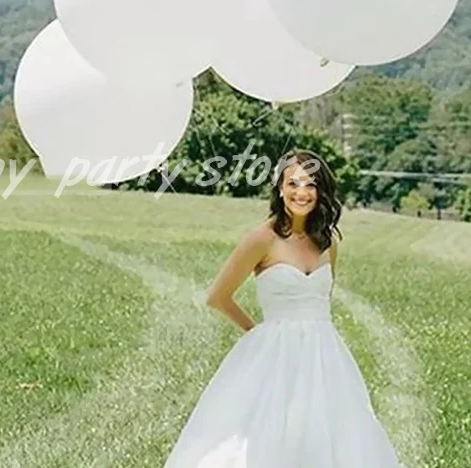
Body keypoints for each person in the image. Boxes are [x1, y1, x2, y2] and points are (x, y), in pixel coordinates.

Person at [163, 148, 402, 467]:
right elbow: (217, 297)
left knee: (330, 435)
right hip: (276, 353)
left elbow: (322, 300)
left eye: (310, 185)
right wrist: (257, 332)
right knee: (271, 434)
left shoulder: (327, 241)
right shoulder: (261, 239)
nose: (301, 193)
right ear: (279, 188)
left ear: (320, 191)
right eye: (293, 184)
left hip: (324, 353)